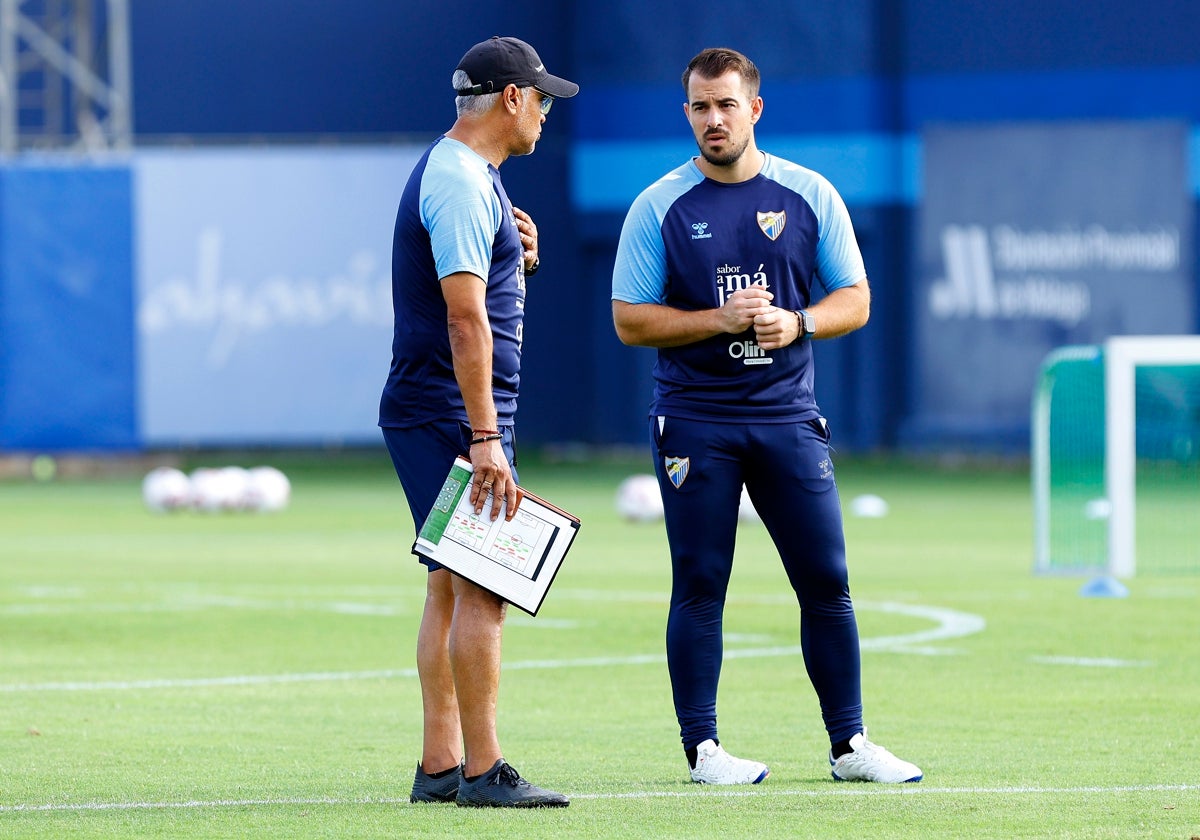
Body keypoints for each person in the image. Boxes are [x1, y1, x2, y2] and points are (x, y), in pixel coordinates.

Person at [611, 47, 922, 786]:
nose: (712, 120)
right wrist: (719, 319)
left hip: (787, 417)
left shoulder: (809, 193)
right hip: (695, 420)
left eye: (725, 104)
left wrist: (801, 323)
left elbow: (857, 297)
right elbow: (628, 320)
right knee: (700, 581)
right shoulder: (658, 205)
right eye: (698, 106)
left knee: (827, 579)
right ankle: (704, 751)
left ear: (754, 108)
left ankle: (850, 746)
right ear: (686, 112)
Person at [378, 35, 578, 808]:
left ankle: (440, 765)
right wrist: (486, 436)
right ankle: (485, 771)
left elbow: (475, 291)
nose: (546, 113)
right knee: (483, 587)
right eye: (542, 98)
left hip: (438, 407)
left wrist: (515, 256)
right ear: (511, 99)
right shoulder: (463, 181)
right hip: (450, 412)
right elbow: (465, 321)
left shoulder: (470, 176)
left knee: (449, 589)